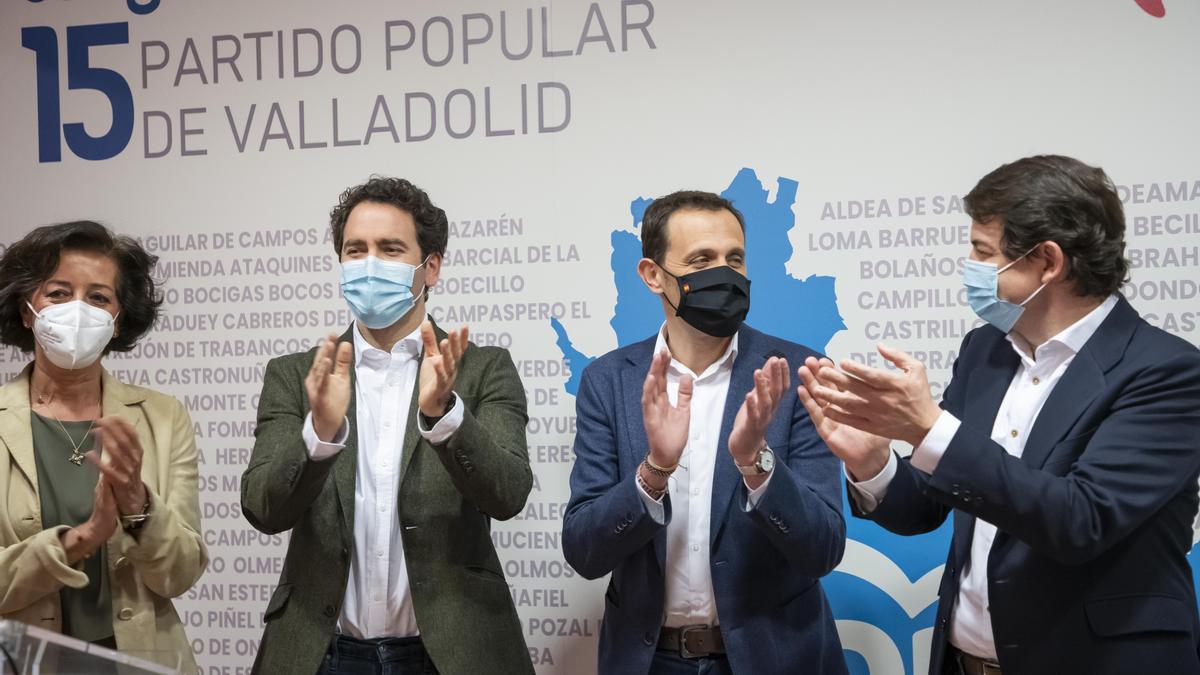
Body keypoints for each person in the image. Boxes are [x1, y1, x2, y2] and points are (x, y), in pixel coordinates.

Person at [798, 155, 1200, 675]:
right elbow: (927, 506)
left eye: (983, 251)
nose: (969, 265)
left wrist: (929, 428)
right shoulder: (986, 350)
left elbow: (1081, 520)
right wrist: (873, 464)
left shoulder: (1167, 371)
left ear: (1048, 262)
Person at [241, 177, 534, 675]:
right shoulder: (295, 375)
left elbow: (507, 495)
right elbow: (263, 508)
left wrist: (445, 416)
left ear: (431, 267)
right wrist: (319, 434)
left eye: (391, 249)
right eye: (355, 250)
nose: (369, 264)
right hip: (322, 653)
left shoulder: (484, 369)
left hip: (450, 654)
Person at [562, 190, 848, 675]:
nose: (724, 274)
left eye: (734, 259)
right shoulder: (608, 381)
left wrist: (756, 465)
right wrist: (654, 472)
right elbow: (585, 550)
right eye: (701, 260)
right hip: (650, 660)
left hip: (773, 657)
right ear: (653, 275)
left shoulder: (798, 372)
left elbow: (822, 548)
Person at [0, 221, 207, 672]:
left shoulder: (163, 416)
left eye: (98, 297)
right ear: (26, 310)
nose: (78, 310)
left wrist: (138, 506)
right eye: (57, 293)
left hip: (139, 659)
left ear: (117, 323)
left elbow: (181, 572)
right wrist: (79, 541)